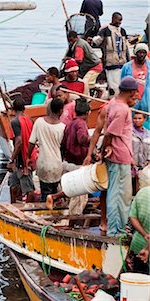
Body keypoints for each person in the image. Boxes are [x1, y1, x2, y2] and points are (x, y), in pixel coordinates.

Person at [101, 76, 138, 236]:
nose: (137, 96)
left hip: (121, 155)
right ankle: (116, 231)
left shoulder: (113, 103)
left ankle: (118, 229)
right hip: (119, 156)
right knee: (119, 196)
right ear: (130, 92)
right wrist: (104, 148)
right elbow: (110, 133)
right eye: (135, 93)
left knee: (120, 194)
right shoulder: (122, 109)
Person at [27, 98, 66, 203]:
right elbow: (63, 148)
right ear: (61, 111)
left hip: (43, 164)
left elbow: (31, 142)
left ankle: (44, 215)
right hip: (57, 165)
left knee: (45, 193)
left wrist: (28, 157)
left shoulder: (39, 122)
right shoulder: (63, 127)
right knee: (55, 193)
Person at [7, 98, 37, 203]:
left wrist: (12, 158)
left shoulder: (15, 122)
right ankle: (13, 204)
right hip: (26, 156)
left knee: (28, 188)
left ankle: (30, 208)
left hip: (23, 159)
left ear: (13, 109)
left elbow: (19, 142)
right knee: (13, 183)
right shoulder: (30, 120)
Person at [93, 12, 130, 96]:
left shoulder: (122, 31)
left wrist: (128, 61)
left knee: (121, 84)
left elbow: (126, 48)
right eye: (118, 20)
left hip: (122, 63)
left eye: (121, 20)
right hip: (111, 63)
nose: (119, 22)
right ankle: (113, 99)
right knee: (113, 86)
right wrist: (93, 40)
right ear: (113, 19)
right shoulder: (105, 30)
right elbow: (97, 41)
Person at [121, 43, 150, 129]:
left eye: (143, 52)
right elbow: (122, 83)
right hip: (132, 97)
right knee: (130, 117)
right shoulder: (127, 67)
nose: (141, 55)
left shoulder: (149, 66)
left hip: (146, 98)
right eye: (139, 52)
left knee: (146, 117)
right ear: (135, 53)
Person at [62, 98, 91, 166]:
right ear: (87, 113)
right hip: (78, 160)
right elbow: (82, 139)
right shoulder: (81, 123)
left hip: (69, 159)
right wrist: (94, 138)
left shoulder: (70, 124)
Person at [128, 186, 150, 274]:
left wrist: (144, 234)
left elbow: (133, 217)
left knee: (138, 281)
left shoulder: (142, 192)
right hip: (144, 251)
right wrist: (147, 249)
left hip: (138, 245)